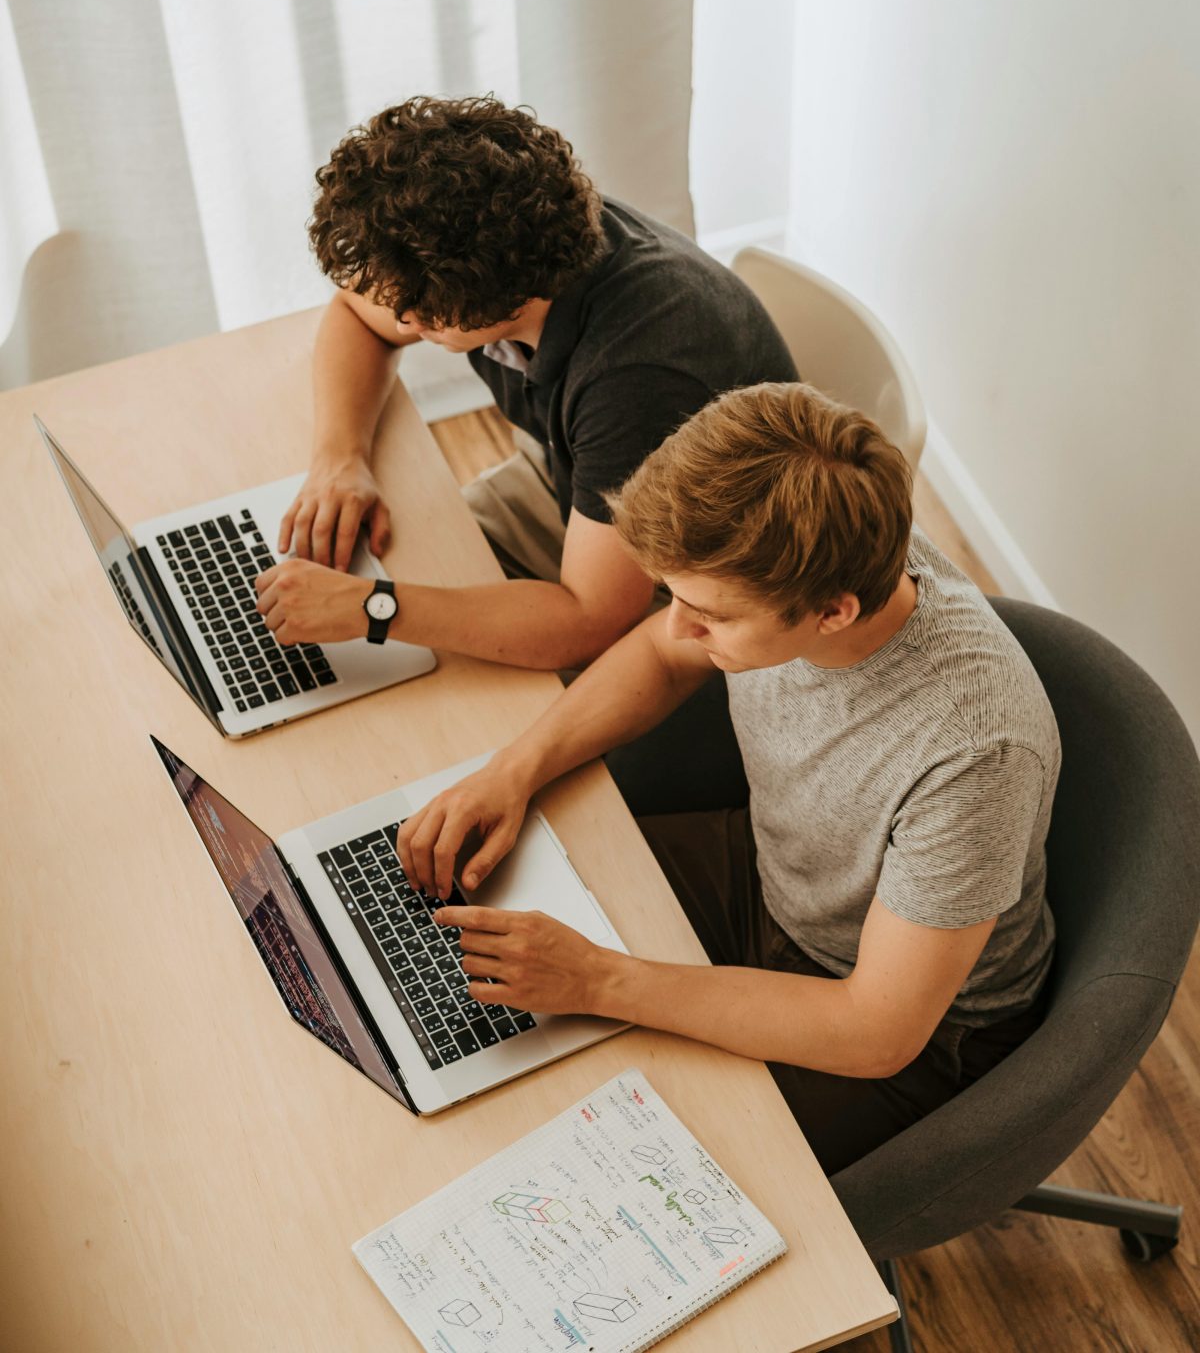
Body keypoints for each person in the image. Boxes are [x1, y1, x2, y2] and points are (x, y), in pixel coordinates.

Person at [398, 382, 1062, 1178]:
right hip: (773, 875)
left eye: (708, 613)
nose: (679, 626)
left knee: (608, 1162)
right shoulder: (813, 552)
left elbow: (875, 1029)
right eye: (674, 595)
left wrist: (601, 979)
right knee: (462, 936)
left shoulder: (974, 753)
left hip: (900, 1020)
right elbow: (658, 652)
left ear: (835, 613)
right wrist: (509, 774)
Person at [253, 94, 795, 674]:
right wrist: (340, 459)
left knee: (413, 665)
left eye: (417, 312)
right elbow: (356, 315)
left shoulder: (639, 380)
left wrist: (375, 609)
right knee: (383, 587)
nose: (404, 322)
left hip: (695, 580)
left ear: (493, 298)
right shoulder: (526, 225)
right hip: (573, 487)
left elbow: (588, 619)